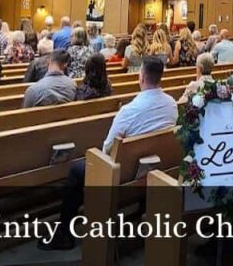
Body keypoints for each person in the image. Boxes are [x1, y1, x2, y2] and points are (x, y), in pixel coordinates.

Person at [39, 57, 175, 251]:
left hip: (123, 175)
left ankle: (64, 233)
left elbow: (108, 148)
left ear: (142, 77)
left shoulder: (129, 110)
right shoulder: (172, 104)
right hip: (156, 169)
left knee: (77, 170)